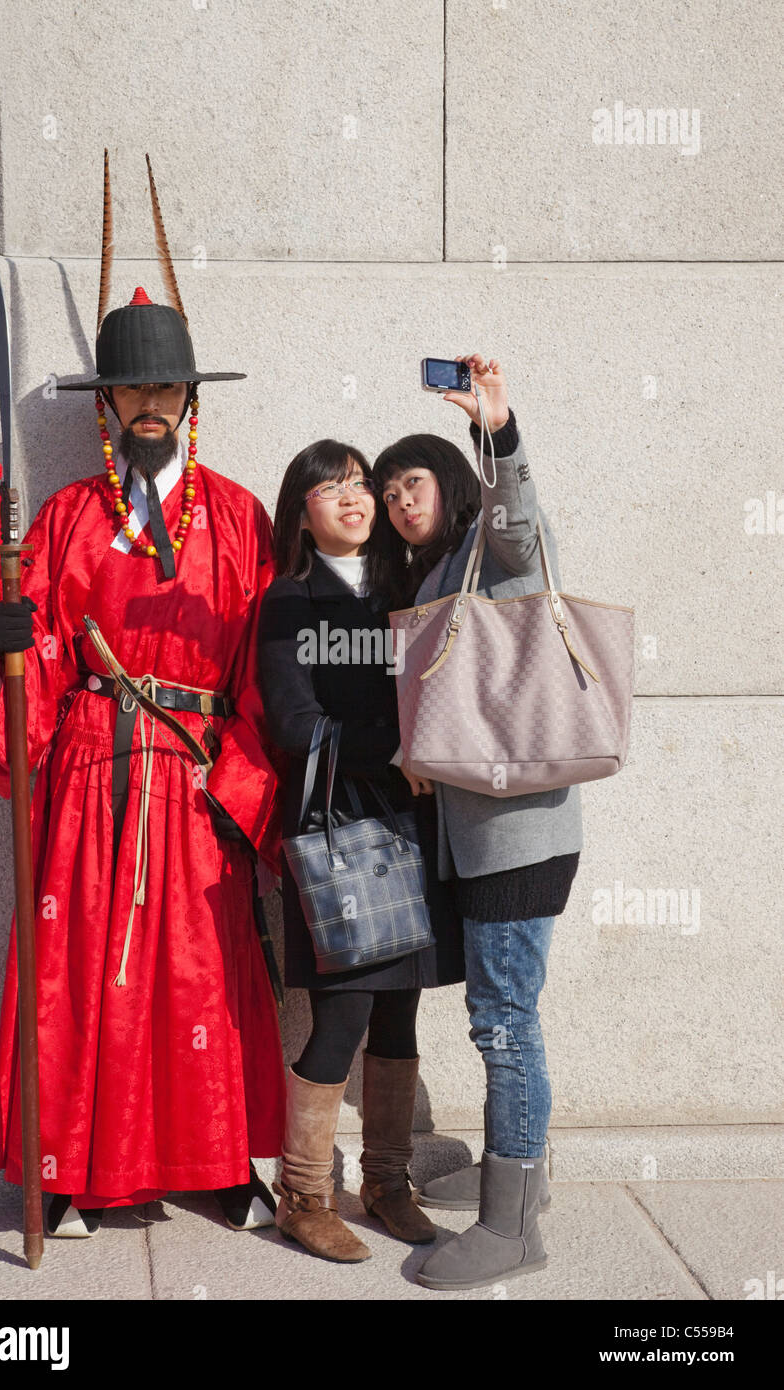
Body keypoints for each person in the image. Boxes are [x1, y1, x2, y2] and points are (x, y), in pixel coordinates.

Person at [0, 165, 285, 1240]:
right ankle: (67, 1170)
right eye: (129, 395)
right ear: (104, 405)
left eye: (164, 394)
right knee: (82, 971)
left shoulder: (239, 520)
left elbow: (266, 674)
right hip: (93, 770)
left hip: (195, 774)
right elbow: (36, 672)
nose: (149, 410)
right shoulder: (59, 520)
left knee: (199, 974)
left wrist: (238, 787)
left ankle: (216, 1162)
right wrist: (8, 647)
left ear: (190, 401)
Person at [368, 352, 582, 1291]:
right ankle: (522, 1185)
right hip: (486, 832)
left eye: (412, 482)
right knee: (505, 1015)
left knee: (502, 1021)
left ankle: (512, 1227)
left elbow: (522, 527)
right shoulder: (436, 572)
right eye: (387, 490)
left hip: (516, 832)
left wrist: (496, 429)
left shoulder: (490, 548)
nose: (399, 499)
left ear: (450, 482)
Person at [257, 439, 464, 1263]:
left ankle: (386, 1182)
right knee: (340, 1014)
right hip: (342, 829)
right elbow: (293, 725)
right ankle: (303, 1195)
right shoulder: (289, 600)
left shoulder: (404, 586)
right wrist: (396, 749)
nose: (353, 497)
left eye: (360, 484)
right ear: (300, 508)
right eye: (329, 487)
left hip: (416, 827)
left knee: (402, 1009)